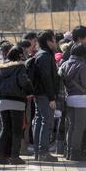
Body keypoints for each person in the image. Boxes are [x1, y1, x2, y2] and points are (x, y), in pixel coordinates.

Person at [0, 47, 35, 165]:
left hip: (2, 101)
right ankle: (15, 156)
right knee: (17, 130)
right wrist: (30, 91)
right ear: (19, 56)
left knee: (5, 129)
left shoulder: (0, 67)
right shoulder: (20, 67)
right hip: (17, 101)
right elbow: (24, 82)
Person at [59, 44, 86, 162]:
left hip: (69, 97)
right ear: (83, 54)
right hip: (81, 99)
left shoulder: (64, 64)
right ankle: (75, 152)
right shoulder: (82, 66)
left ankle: (68, 152)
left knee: (71, 127)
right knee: (79, 128)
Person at [32, 30, 60, 162]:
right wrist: (52, 98)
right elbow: (46, 78)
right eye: (54, 40)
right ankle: (43, 152)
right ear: (49, 42)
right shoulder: (45, 56)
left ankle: (39, 152)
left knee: (39, 121)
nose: (56, 43)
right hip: (45, 95)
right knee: (46, 122)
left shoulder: (41, 54)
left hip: (40, 94)